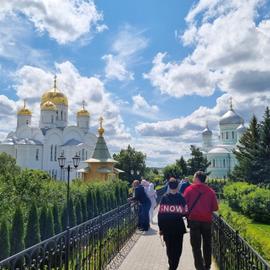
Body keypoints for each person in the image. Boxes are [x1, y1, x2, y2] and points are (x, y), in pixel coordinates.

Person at [184, 171, 219, 270]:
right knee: (207, 244)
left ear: (197, 178)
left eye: (194, 177)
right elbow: (215, 208)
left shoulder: (189, 189)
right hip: (207, 221)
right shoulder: (210, 191)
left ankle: (199, 267)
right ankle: (207, 266)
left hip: (193, 221)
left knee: (196, 246)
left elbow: (184, 205)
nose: (193, 179)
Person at [158, 177, 188, 270]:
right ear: (178, 186)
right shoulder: (181, 197)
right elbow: (186, 212)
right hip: (178, 228)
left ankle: (171, 265)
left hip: (167, 228)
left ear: (169, 186)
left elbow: (160, 215)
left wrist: (160, 228)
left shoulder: (164, 198)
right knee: (178, 249)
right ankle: (174, 266)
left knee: (169, 248)